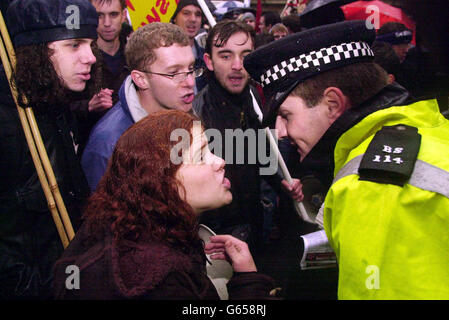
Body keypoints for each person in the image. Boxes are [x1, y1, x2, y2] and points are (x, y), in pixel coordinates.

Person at [244, 20, 449, 299]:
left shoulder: (370, 188)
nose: (280, 132)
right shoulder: (427, 130)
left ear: (333, 103)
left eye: (286, 115)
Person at [53, 110, 276, 299]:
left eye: (210, 150)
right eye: (200, 157)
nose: (220, 161)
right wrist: (248, 280)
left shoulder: (127, 227)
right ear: (162, 183)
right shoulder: (162, 277)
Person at [0, 0, 98, 299]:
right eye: (75, 45)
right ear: (37, 52)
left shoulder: (54, 105)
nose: (91, 57)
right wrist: (46, 288)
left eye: (91, 44)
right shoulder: (9, 124)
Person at [193, 20, 302, 254]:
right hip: (218, 237)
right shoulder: (197, 115)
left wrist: (280, 180)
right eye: (225, 56)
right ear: (209, 62)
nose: (237, 65)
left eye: (245, 55)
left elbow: (258, 151)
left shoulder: (252, 95)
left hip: (254, 223)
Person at [81, 22, 201, 192]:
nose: (190, 82)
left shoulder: (190, 115)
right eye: (174, 73)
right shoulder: (109, 145)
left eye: (191, 69)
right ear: (140, 79)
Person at [70, 0, 130, 156]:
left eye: (114, 14)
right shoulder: (78, 60)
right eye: (99, 15)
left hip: (132, 150)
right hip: (93, 152)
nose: (107, 23)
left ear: (124, 15)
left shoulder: (136, 57)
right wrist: (88, 106)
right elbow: (59, 108)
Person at [170, 0, 208, 93]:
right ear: (175, 17)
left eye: (198, 14)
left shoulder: (207, 58)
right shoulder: (161, 57)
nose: (193, 19)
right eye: (186, 13)